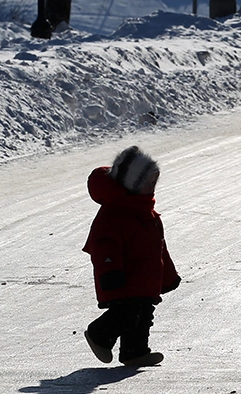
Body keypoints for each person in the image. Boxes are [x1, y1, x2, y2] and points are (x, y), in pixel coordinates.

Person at [83, 146, 181, 367]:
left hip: (144, 279)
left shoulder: (147, 212)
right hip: (123, 276)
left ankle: (135, 352)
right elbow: (104, 246)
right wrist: (110, 270)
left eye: (153, 183)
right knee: (127, 313)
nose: (151, 188)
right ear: (131, 184)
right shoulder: (115, 213)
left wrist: (168, 276)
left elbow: (159, 248)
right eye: (146, 182)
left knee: (144, 315)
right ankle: (99, 334)